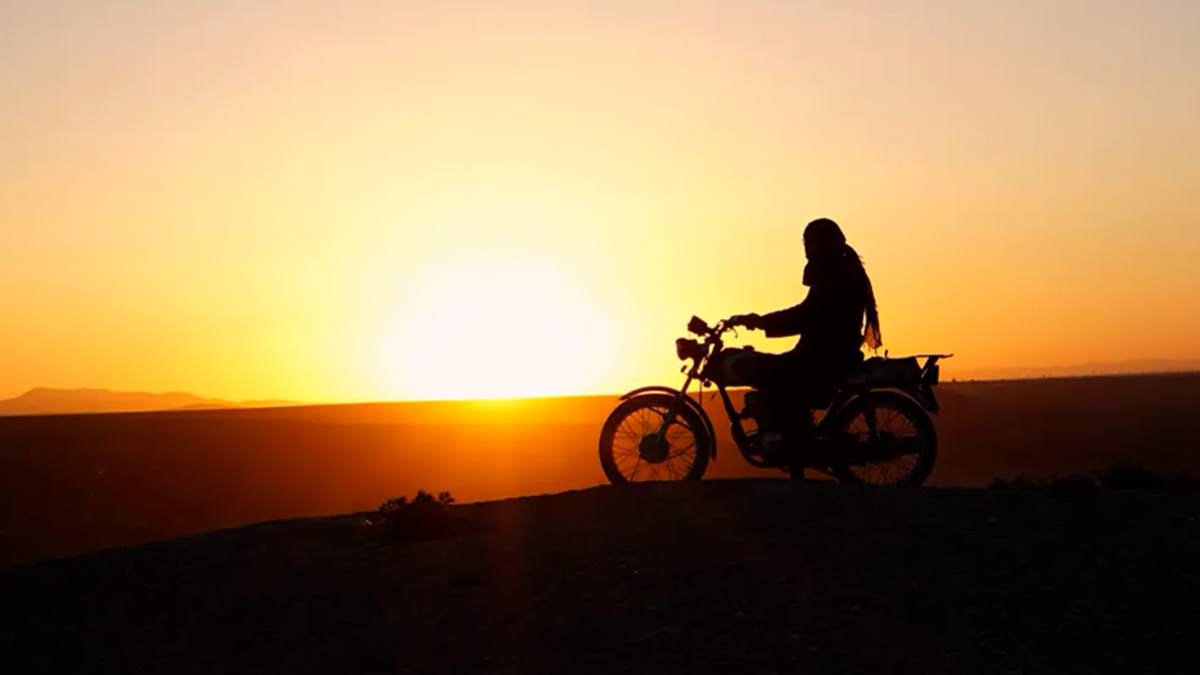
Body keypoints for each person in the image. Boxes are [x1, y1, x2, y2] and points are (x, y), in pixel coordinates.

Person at [728, 217, 882, 457]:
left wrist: (761, 322)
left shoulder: (834, 277)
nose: (806, 247)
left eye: (810, 242)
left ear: (823, 244)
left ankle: (789, 439)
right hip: (829, 352)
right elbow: (808, 314)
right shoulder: (840, 271)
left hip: (824, 356)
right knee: (774, 368)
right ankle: (791, 429)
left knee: (767, 369)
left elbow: (806, 315)